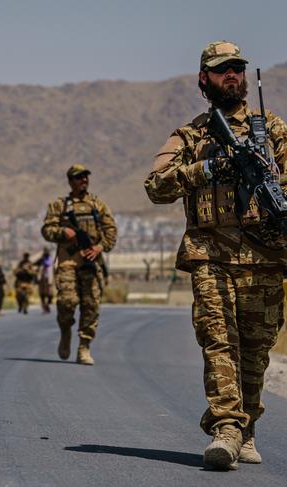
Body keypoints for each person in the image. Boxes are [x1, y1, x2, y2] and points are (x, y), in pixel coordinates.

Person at [144, 41, 287, 470]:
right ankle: (226, 427)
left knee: (257, 350)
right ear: (204, 79)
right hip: (211, 256)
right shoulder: (192, 136)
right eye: (223, 69)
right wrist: (207, 168)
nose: (233, 75)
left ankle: (247, 427)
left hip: (265, 256)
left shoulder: (273, 131)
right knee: (218, 340)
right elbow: (156, 186)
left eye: (238, 69)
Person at [41, 164, 117, 365]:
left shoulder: (97, 205)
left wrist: (98, 248)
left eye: (85, 177)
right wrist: (63, 233)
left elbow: (111, 233)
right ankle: (65, 330)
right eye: (78, 177)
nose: (83, 180)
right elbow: (47, 230)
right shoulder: (59, 206)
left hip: (91, 263)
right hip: (68, 262)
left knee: (91, 305)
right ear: (70, 181)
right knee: (67, 301)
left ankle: (84, 346)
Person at [35, 247, 55, 313]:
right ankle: (44, 307)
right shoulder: (41, 259)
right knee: (42, 294)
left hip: (49, 279)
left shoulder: (50, 259)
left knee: (50, 294)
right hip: (42, 279)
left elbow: (49, 264)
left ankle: (47, 305)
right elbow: (35, 263)